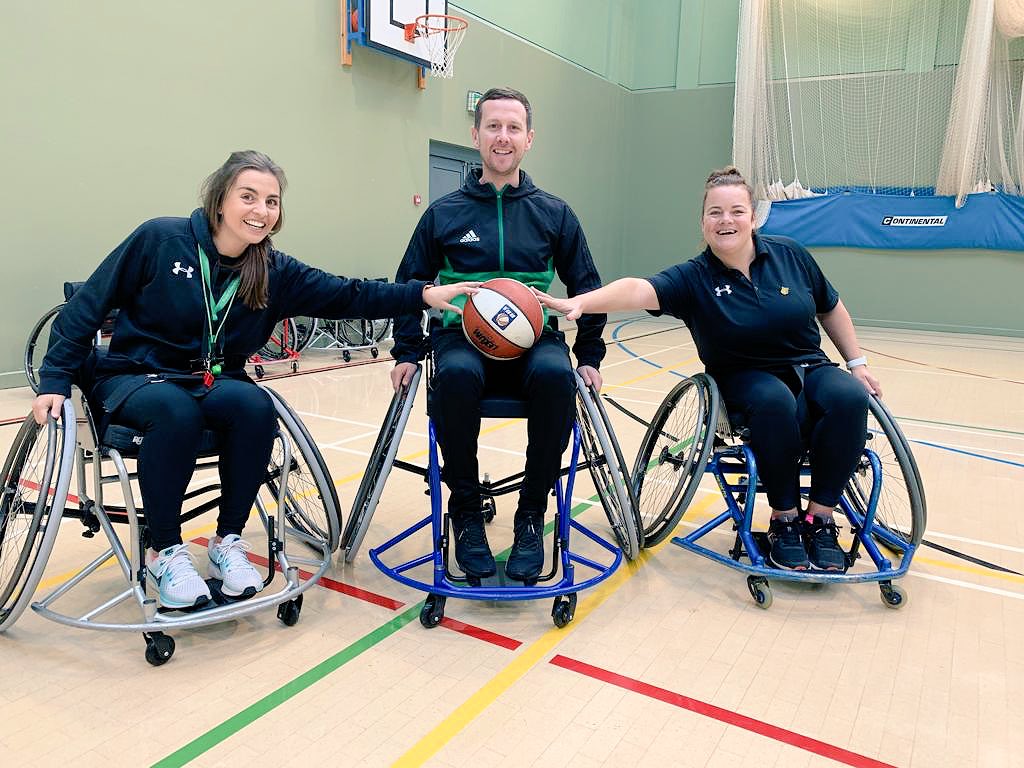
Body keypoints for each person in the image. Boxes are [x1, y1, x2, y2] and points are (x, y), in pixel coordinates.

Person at [32, 150, 476, 610]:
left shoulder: (273, 271)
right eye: (248, 197)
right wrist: (55, 378)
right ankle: (163, 550)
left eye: (271, 201)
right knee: (174, 411)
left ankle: (228, 541)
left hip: (210, 379)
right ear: (220, 199)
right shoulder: (160, 239)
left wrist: (423, 294)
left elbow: (351, 294)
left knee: (254, 406)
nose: (261, 211)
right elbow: (87, 305)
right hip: (137, 376)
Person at [535, 166, 882, 572]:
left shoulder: (791, 254)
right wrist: (582, 302)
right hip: (743, 377)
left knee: (850, 397)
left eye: (736, 211)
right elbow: (637, 289)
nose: (725, 220)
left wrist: (856, 364)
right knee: (774, 401)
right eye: (715, 213)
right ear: (703, 222)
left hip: (810, 365)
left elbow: (830, 306)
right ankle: (785, 518)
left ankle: (820, 518)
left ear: (753, 217)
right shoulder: (694, 277)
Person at [391, 87, 607, 585]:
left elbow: (588, 288)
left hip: (535, 340)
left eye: (513, 128)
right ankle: (467, 512)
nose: (502, 137)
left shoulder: (554, 213)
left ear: (529, 138)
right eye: (493, 126)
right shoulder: (444, 213)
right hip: (461, 338)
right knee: (455, 376)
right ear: (476, 135)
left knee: (556, 376)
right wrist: (406, 351)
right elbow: (409, 283)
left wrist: (589, 355)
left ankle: (531, 514)